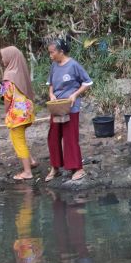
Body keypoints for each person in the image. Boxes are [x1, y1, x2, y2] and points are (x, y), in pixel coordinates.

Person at [45, 37, 93, 182]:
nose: (50, 55)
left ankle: (77, 168)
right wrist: (51, 94)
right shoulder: (54, 65)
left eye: (52, 52)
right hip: (57, 106)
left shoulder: (73, 65)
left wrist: (74, 95)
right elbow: (51, 83)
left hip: (71, 106)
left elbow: (87, 82)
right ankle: (55, 167)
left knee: (70, 137)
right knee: (53, 136)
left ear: (61, 52)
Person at [0, 46, 37, 181]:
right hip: (27, 111)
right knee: (21, 137)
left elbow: (7, 98)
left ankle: (27, 172)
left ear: (10, 58)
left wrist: (6, 112)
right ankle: (31, 161)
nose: (2, 59)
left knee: (18, 140)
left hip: (17, 115)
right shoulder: (21, 72)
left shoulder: (8, 76)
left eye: (4, 56)